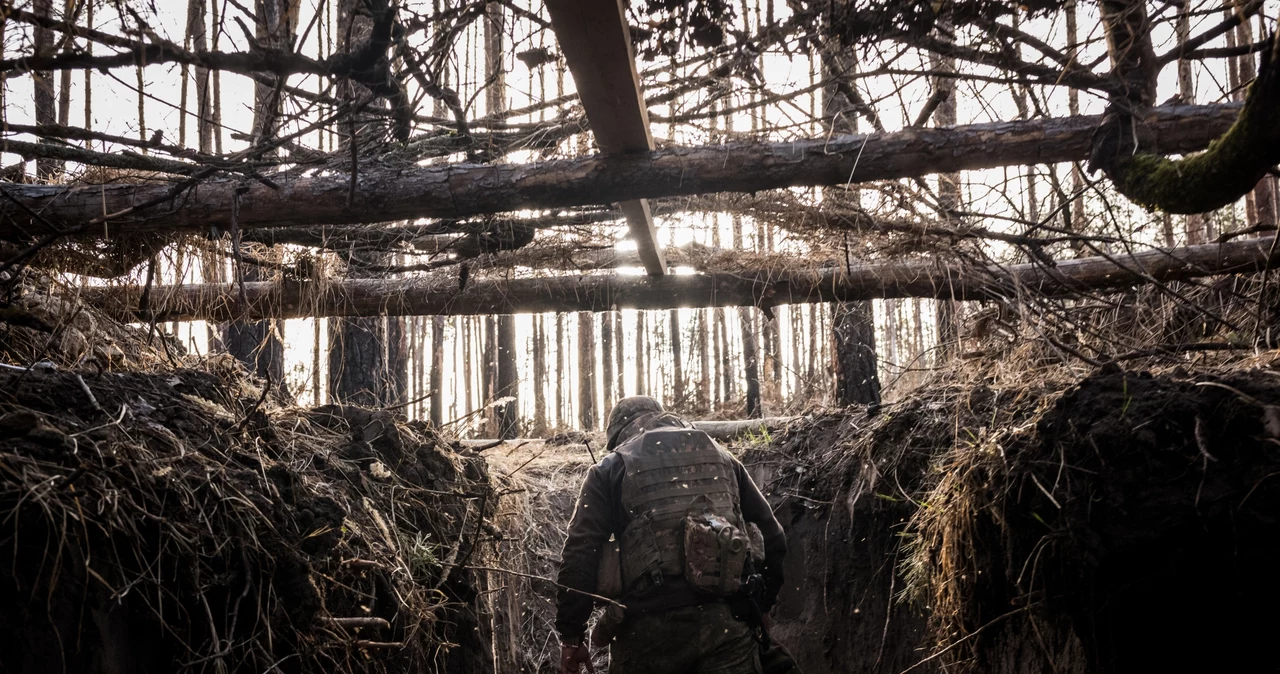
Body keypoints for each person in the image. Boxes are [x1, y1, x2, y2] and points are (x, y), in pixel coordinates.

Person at [555, 396, 788, 674]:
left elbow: (580, 553)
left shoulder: (610, 469)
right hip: (725, 627)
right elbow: (772, 536)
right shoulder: (724, 459)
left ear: (619, 434)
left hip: (648, 635)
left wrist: (571, 637)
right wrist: (762, 606)